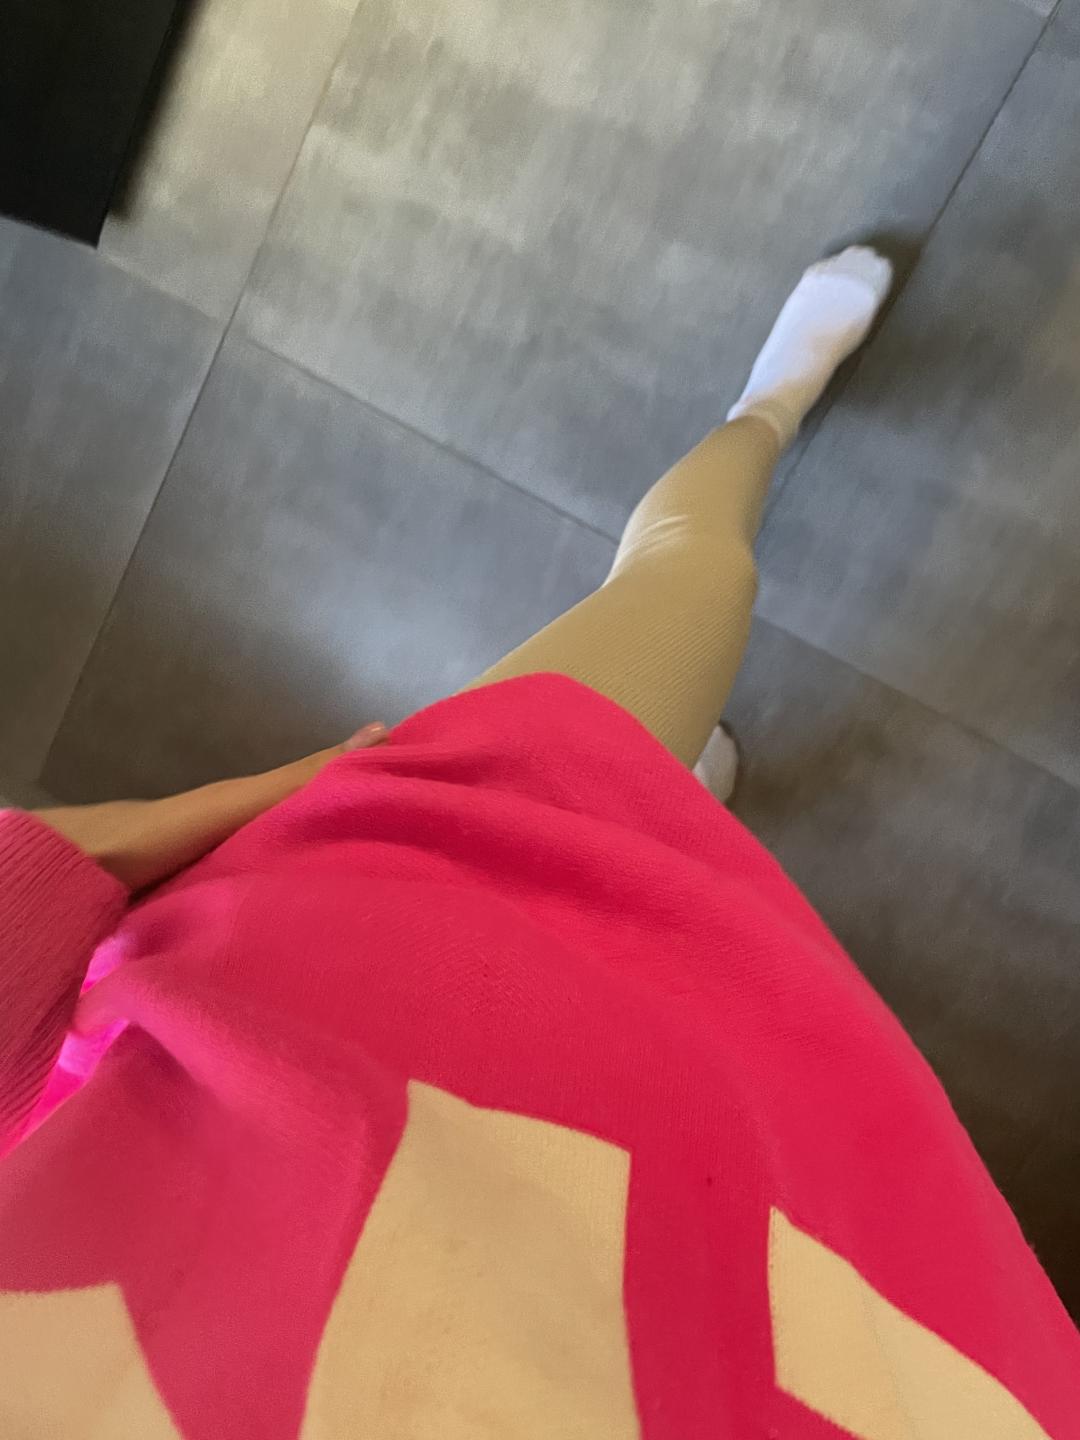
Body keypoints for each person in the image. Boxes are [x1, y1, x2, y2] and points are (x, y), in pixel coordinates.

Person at [1, 248, 1077, 1440]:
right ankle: (679, 762)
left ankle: (765, 412)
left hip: (358, 988)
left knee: (691, 578)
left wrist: (266, 800)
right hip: (751, 1285)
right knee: (683, 608)